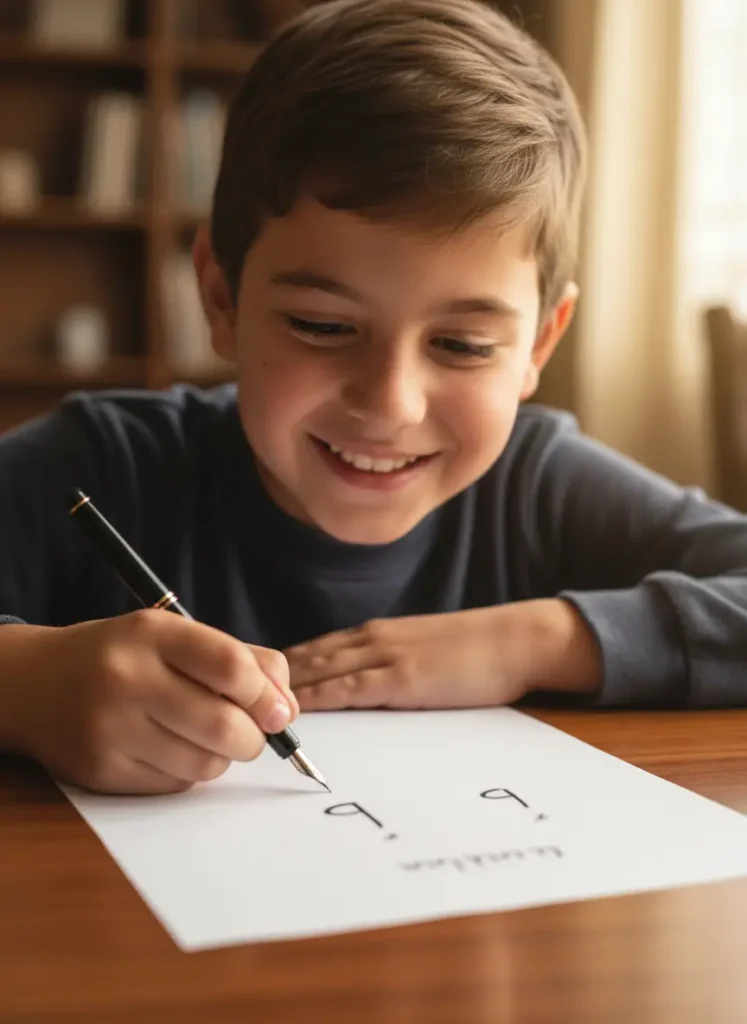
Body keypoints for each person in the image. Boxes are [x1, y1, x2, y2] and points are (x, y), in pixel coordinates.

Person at [1, 0, 745, 797]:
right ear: (221, 295)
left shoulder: (538, 485)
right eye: (322, 326)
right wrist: (26, 686)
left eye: (461, 344)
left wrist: (533, 641)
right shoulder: (100, 464)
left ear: (538, 344)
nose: (390, 404)